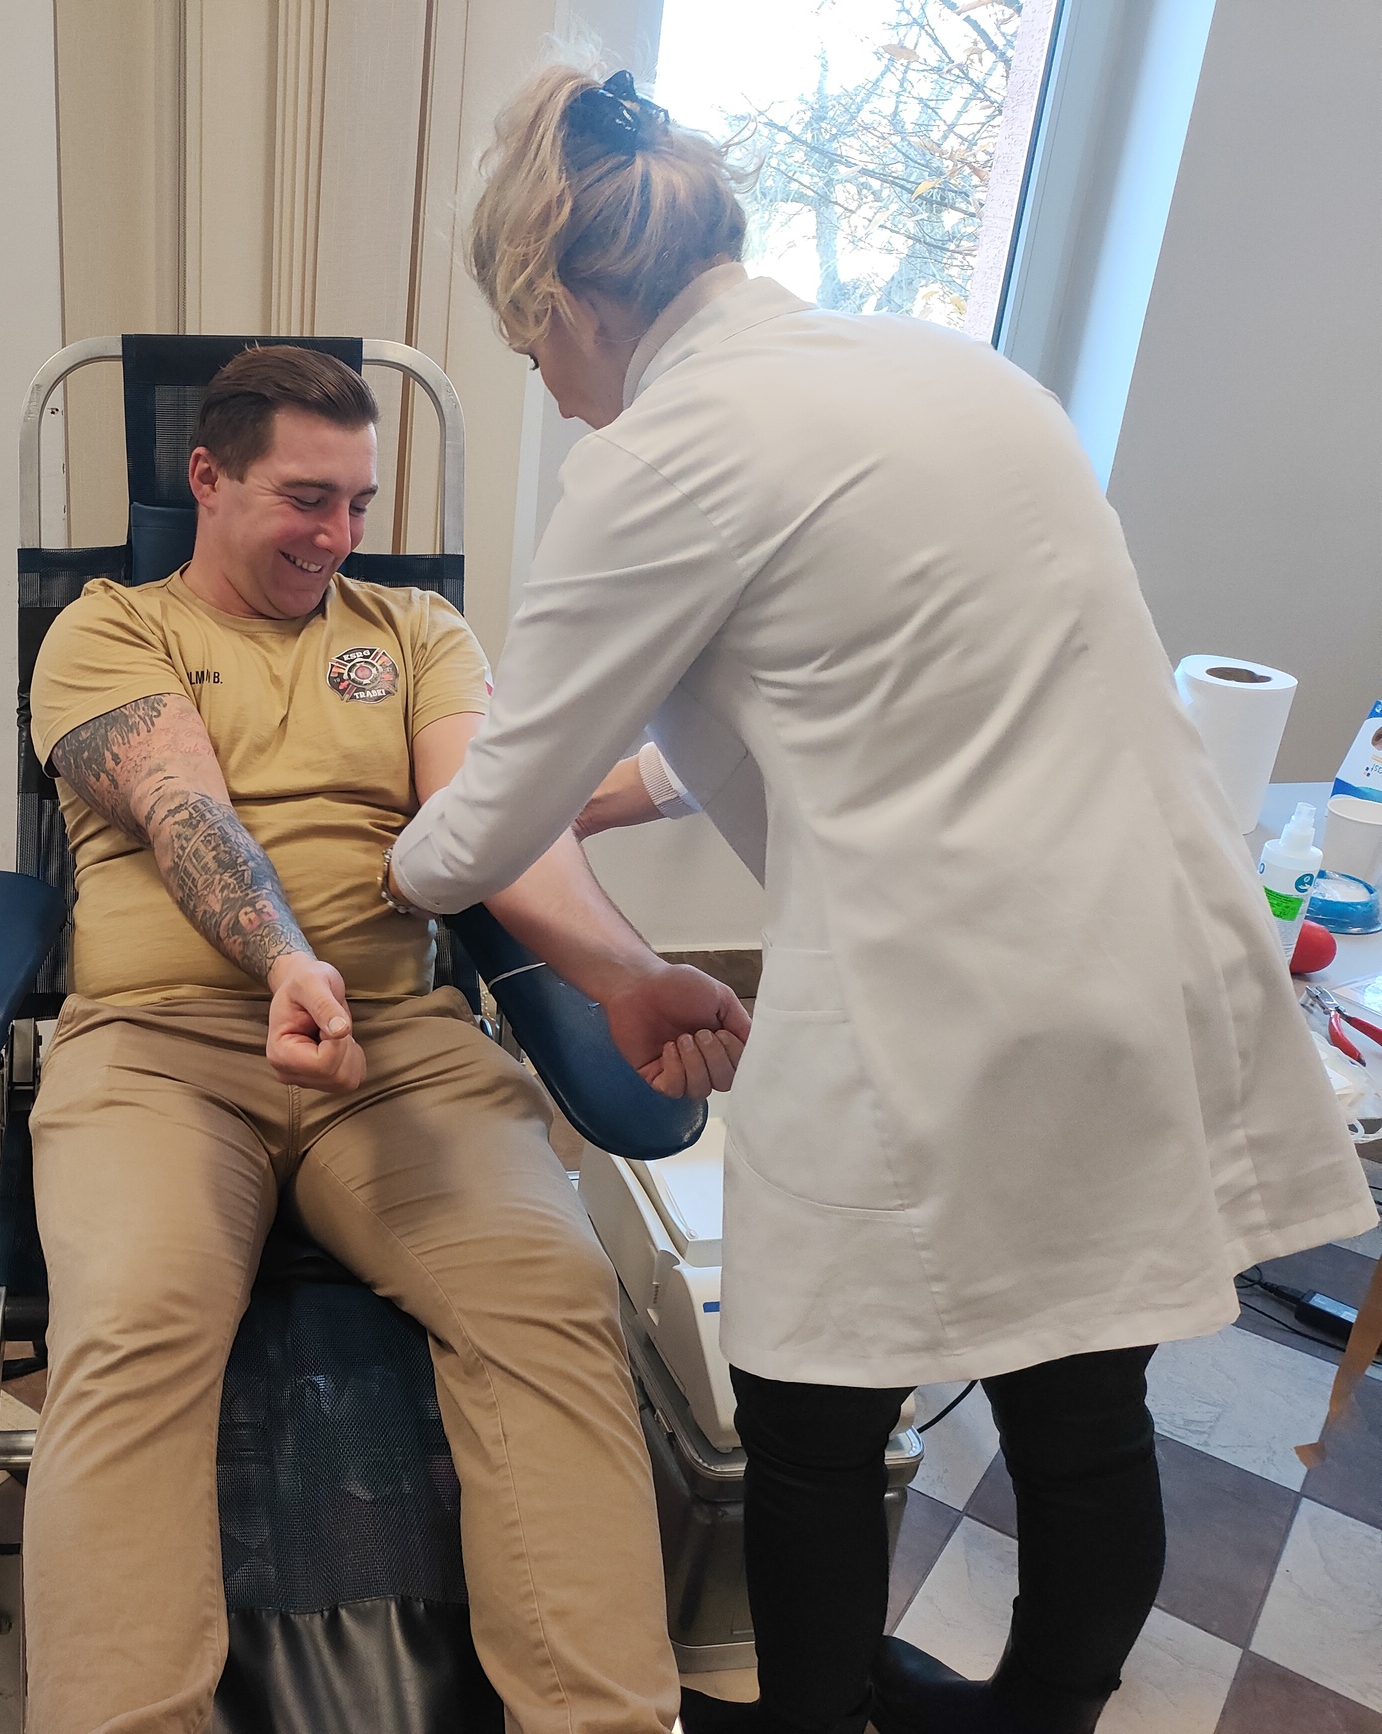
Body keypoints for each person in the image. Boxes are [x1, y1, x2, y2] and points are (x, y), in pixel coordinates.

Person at [386, 64, 1378, 1734]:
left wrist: (399, 845)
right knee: (1083, 1399)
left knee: (811, 1417)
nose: (554, 394)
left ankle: (817, 1714)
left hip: (946, 988)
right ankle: (1038, 1714)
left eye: (533, 350)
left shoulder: (661, 456)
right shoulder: (954, 374)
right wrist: (616, 795)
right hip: (1154, 941)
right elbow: (853, 679)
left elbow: (475, 830)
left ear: (563, 302)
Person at [22, 343, 747, 1733]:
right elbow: (186, 814)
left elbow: (488, 828)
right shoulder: (110, 628)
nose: (340, 534)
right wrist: (287, 960)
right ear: (206, 478)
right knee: (134, 1328)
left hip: (399, 1049)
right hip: (163, 1052)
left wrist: (628, 973)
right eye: (307, 499)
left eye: (360, 501)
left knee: (555, 1301)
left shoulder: (415, 631)